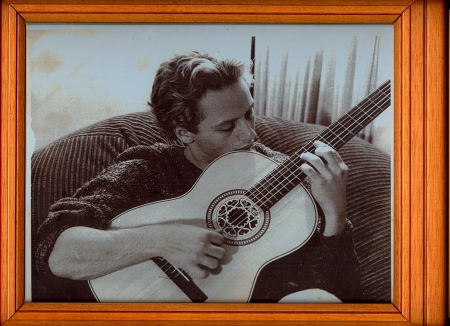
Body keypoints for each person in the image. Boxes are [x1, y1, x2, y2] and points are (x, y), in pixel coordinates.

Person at [33, 51, 360, 303]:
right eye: (227, 126)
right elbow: (53, 250)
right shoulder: (149, 168)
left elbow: (337, 295)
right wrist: (163, 240)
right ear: (184, 133)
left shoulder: (290, 174)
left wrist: (336, 215)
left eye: (249, 113)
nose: (248, 134)